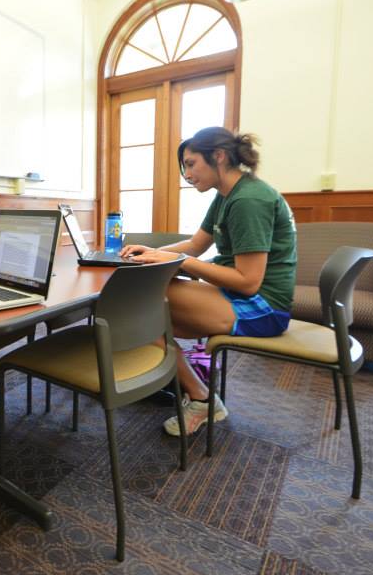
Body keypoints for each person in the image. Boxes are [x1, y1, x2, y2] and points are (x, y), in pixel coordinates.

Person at [120, 127, 296, 436]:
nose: (187, 174)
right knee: (142, 311)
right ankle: (181, 384)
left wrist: (179, 263)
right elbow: (196, 245)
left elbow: (249, 282)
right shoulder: (228, 194)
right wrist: (152, 252)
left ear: (219, 156)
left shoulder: (249, 200)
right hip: (239, 296)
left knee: (137, 306)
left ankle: (201, 399)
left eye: (191, 164)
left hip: (264, 307)